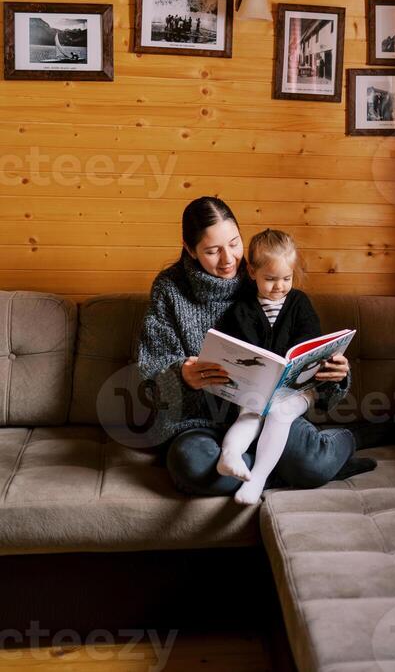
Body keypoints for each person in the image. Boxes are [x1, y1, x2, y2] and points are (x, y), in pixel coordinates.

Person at [136, 197, 368, 499]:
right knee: (193, 467)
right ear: (190, 250)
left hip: (269, 412)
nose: (228, 259)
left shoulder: (264, 275)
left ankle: (263, 467)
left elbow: (303, 351)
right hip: (202, 423)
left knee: (313, 465)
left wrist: (335, 374)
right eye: (212, 250)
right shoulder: (169, 289)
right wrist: (182, 377)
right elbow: (150, 379)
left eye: (234, 243)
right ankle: (265, 469)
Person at [216, 229, 375, 505]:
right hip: (258, 388)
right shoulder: (240, 310)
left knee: (279, 412)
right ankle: (228, 456)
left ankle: (257, 481)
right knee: (250, 413)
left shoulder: (299, 303)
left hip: (298, 390)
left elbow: (310, 345)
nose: (279, 286)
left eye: (286, 278)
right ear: (252, 272)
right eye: (270, 279)